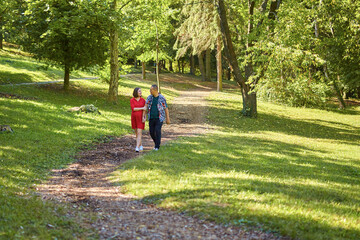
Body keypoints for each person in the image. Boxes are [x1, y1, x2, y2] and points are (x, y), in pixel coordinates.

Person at [144, 85, 170, 151]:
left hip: (159, 117)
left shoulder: (161, 98)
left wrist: (167, 118)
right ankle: (156, 143)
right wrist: (143, 116)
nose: (150, 91)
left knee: (157, 130)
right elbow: (145, 106)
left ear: (155, 90)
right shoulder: (149, 97)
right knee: (151, 132)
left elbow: (166, 108)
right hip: (151, 117)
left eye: (151, 90)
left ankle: (157, 146)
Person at [130, 87, 146, 152]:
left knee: (139, 132)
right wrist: (142, 108)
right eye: (139, 91)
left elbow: (145, 109)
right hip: (134, 117)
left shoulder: (143, 100)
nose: (140, 92)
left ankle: (137, 147)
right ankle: (140, 145)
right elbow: (133, 108)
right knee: (136, 132)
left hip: (140, 117)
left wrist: (144, 117)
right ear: (136, 92)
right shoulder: (132, 100)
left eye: (141, 91)